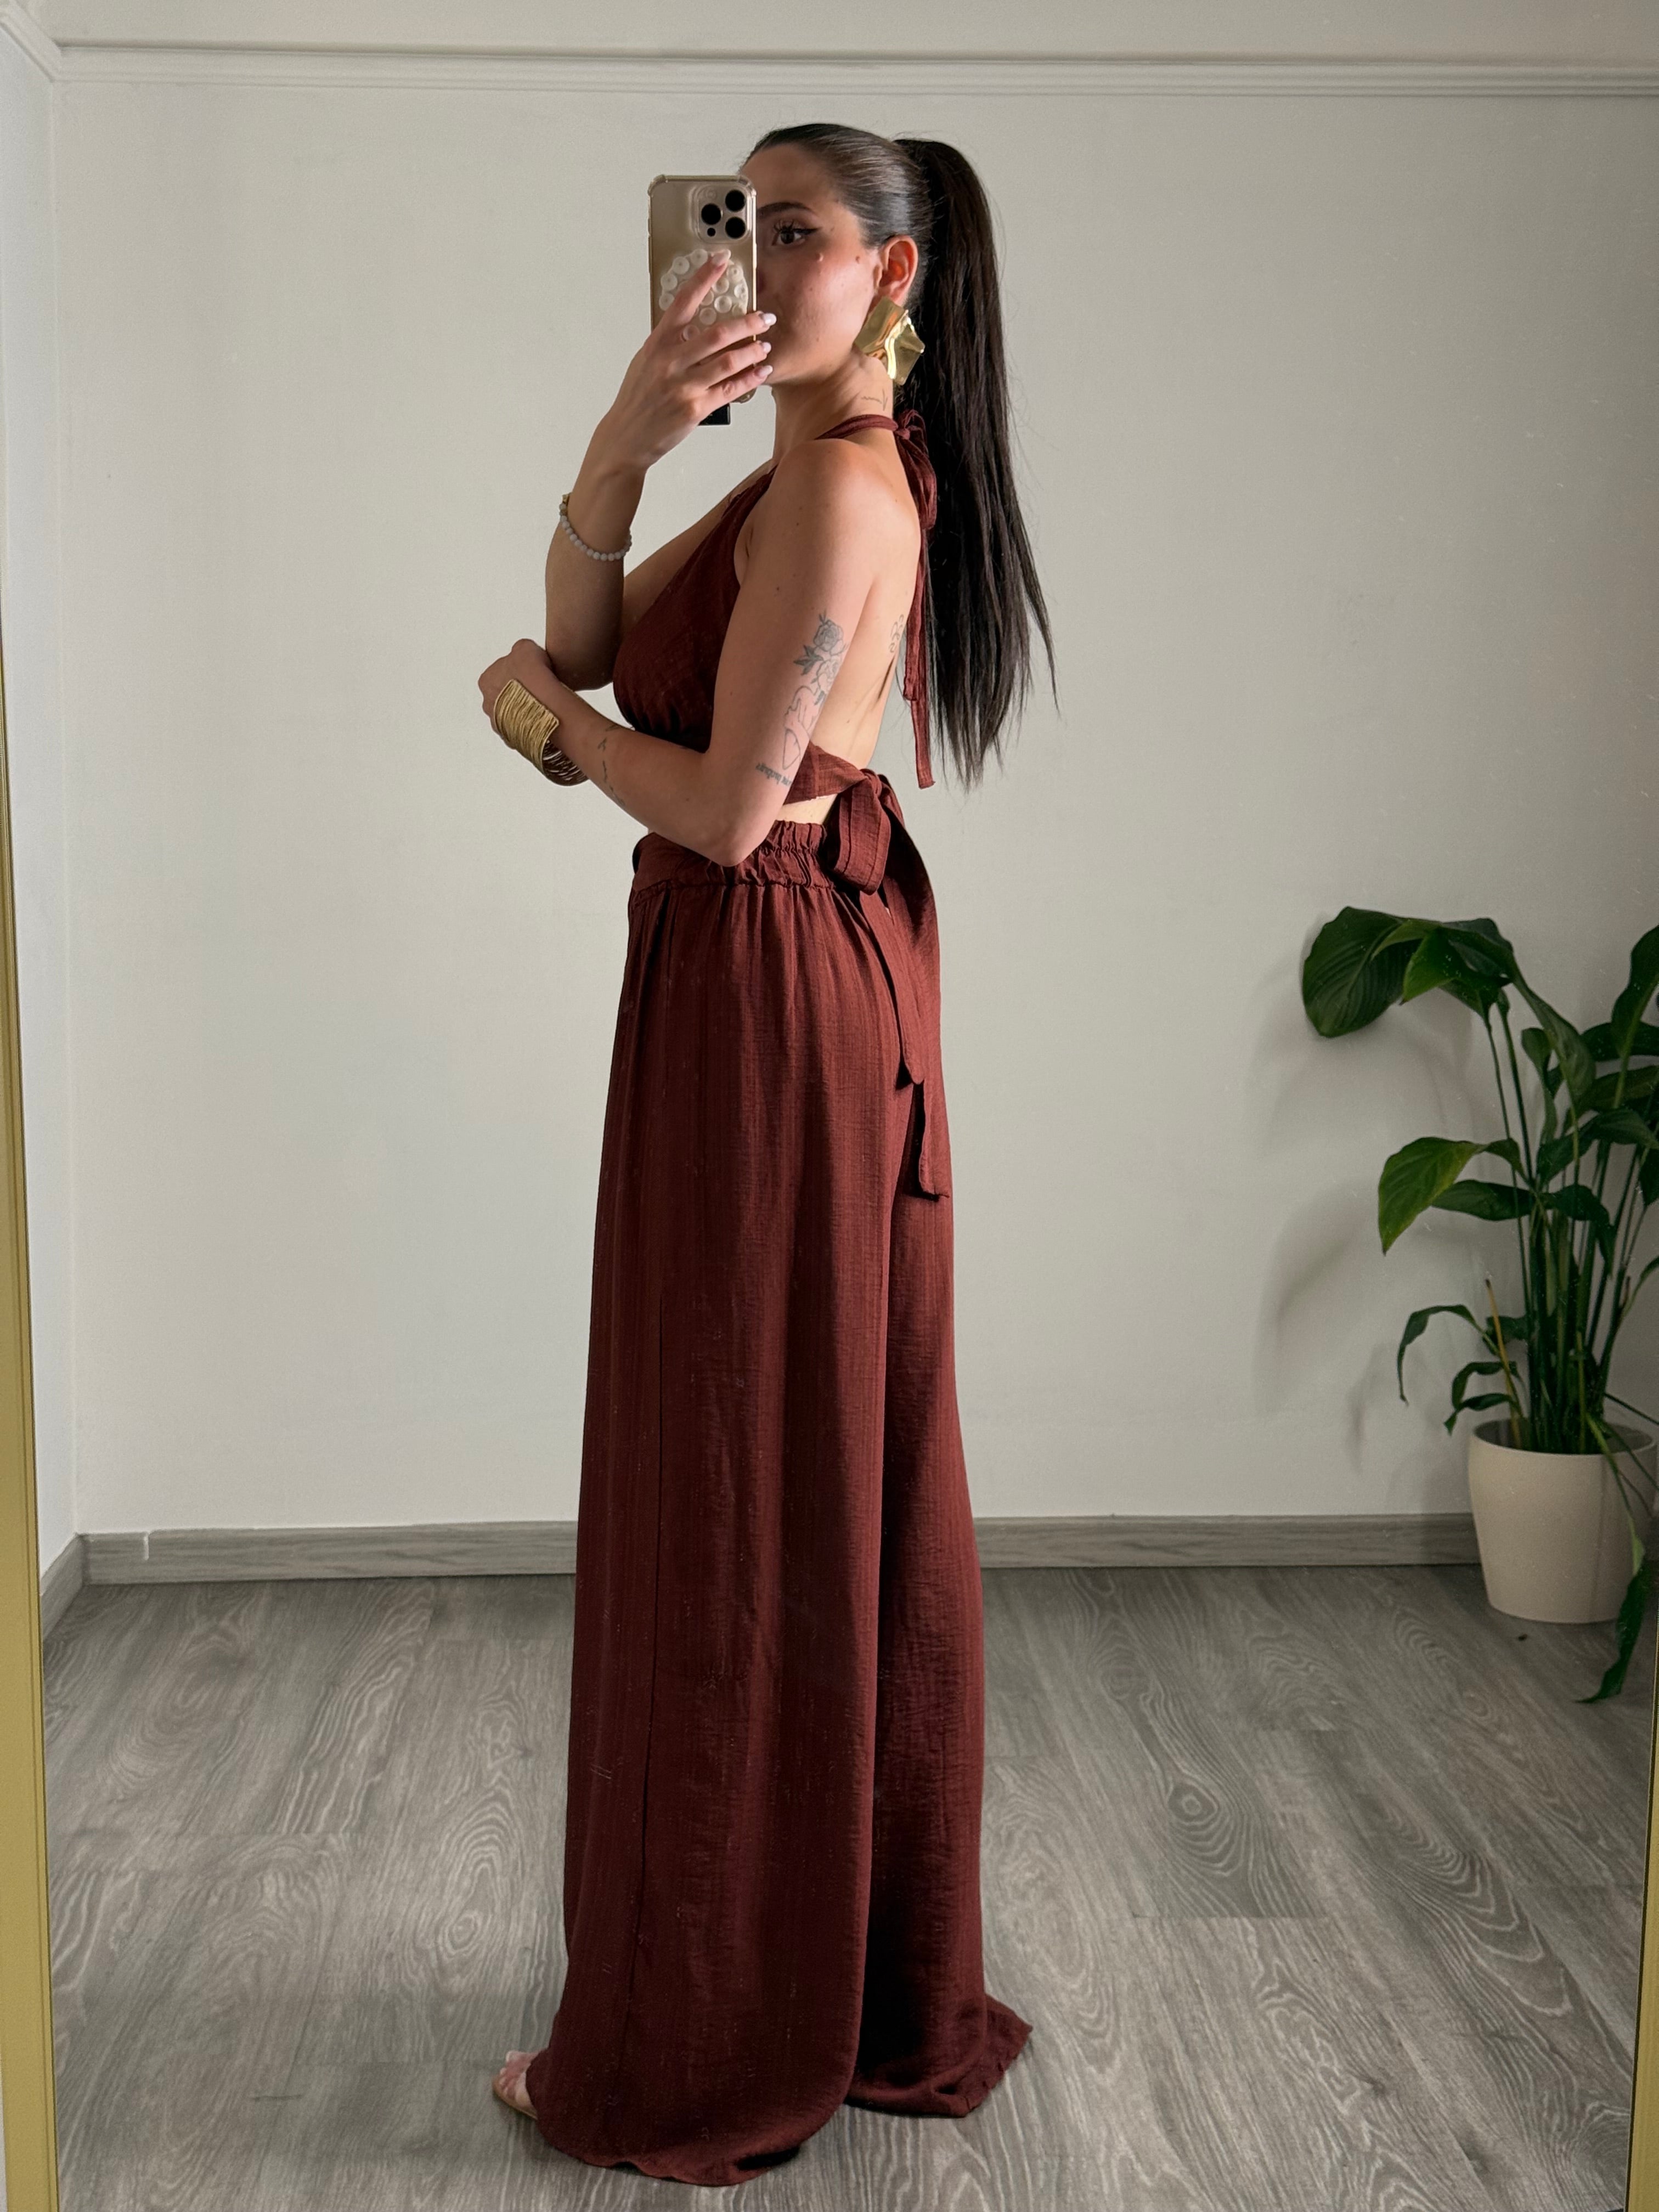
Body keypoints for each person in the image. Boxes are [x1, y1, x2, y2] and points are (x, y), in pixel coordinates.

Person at [477, 121, 1057, 2187]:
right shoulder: (803, 465)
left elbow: (723, 809)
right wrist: (625, 437)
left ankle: (708, 2031)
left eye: (792, 230)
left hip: (766, 986)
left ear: (892, 275)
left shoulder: (836, 487)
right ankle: (811, 1977)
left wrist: (542, 726)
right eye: (737, 223)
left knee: (728, 1474)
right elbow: (600, 631)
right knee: (781, 1463)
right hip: (774, 984)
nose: (749, 259)